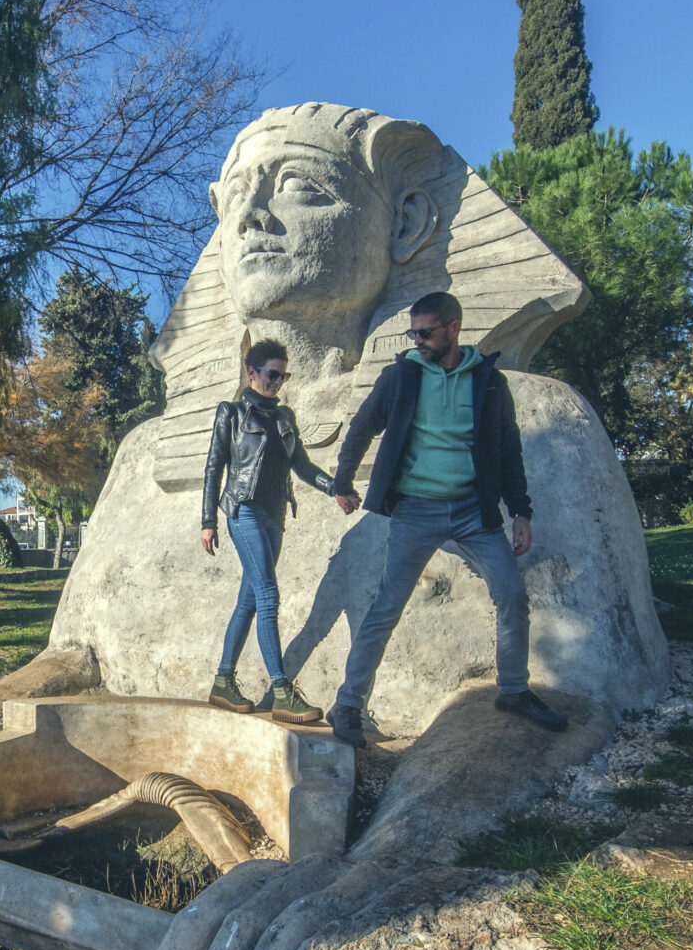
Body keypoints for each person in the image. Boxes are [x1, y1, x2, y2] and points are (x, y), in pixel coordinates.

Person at [323, 291, 565, 747]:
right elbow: (361, 427)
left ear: (453, 328)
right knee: (386, 607)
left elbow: (509, 450)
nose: (418, 339)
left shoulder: (489, 382)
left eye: (426, 332)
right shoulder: (400, 377)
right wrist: (342, 480)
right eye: (413, 331)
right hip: (416, 510)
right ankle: (349, 705)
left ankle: (513, 690)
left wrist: (521, 512)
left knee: (512, 595)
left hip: (475, 511)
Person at [200, 339, 341, 723]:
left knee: (248, 602)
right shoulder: (230, 413)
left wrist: (336, 488)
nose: (279, 382)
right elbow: (214, 468)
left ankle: (223, 682)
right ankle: (281, 691)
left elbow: (303, 466)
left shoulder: (284, 418)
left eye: (284, 376)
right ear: (252, 372)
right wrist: (208, 521)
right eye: (272, 374)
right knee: (268, 594)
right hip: (242, 511)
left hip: (274, 517)